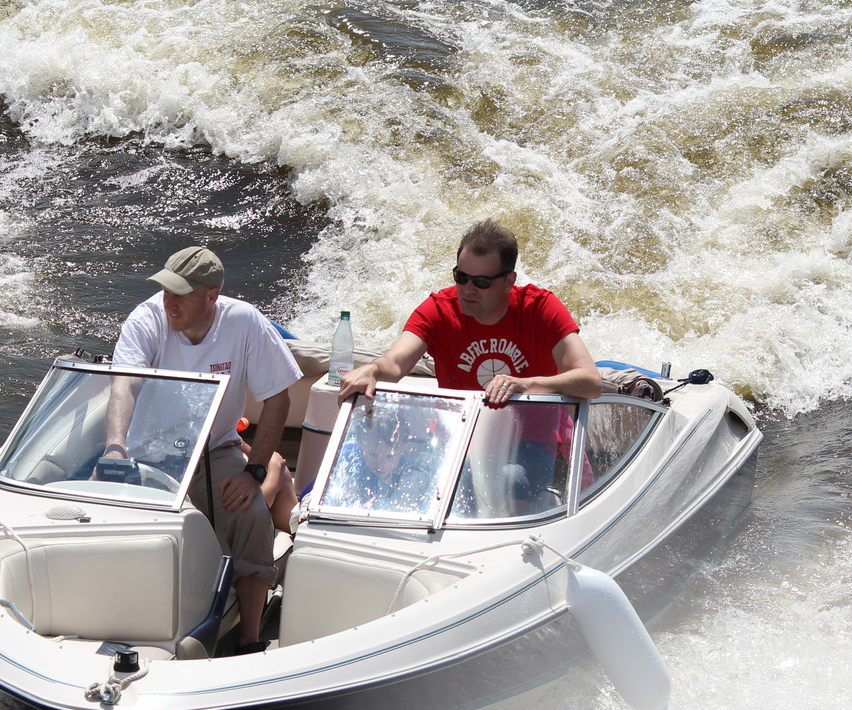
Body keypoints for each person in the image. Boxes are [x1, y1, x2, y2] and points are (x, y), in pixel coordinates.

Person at [105, 245, 301, 654]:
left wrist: (255, 472)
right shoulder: (146, 320)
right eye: (164, 290)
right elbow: (125, 383)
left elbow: (278, 399)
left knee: (250, 512)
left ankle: (248, 639)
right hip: (149, 454)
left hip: (215, 450)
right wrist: (116, 449)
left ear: (211, 295)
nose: (168, 302)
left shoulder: (245, 321)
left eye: (179, 293)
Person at [337, 220, 600, 511]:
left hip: (528, 443)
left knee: (509, 479)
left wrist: (524, 384)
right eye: (461, 277)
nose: (468, 289)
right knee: (419, 481)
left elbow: (590, 380)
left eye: (482, 282)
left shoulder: (540, 308)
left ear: (509, 281)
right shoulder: (438, 309)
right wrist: (373, 369)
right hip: (458, 437)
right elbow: (395, 363)